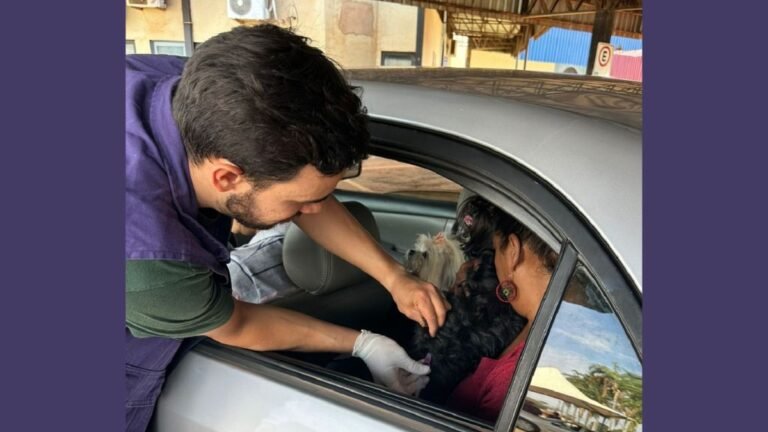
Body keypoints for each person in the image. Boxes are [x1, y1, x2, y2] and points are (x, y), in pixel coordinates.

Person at [125, 24, 449, 432]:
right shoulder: (150, 257)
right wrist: (363, 343)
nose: (313, 211)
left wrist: (394, 276)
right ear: (227, 177)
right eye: (298, 203)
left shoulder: (209, 92)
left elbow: (306, 196)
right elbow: (239, 325)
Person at [446, 196, 558, 421]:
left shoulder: (512, 380)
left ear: (513, 252)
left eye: (497, 249)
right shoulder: (534, 324)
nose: (494, 261)